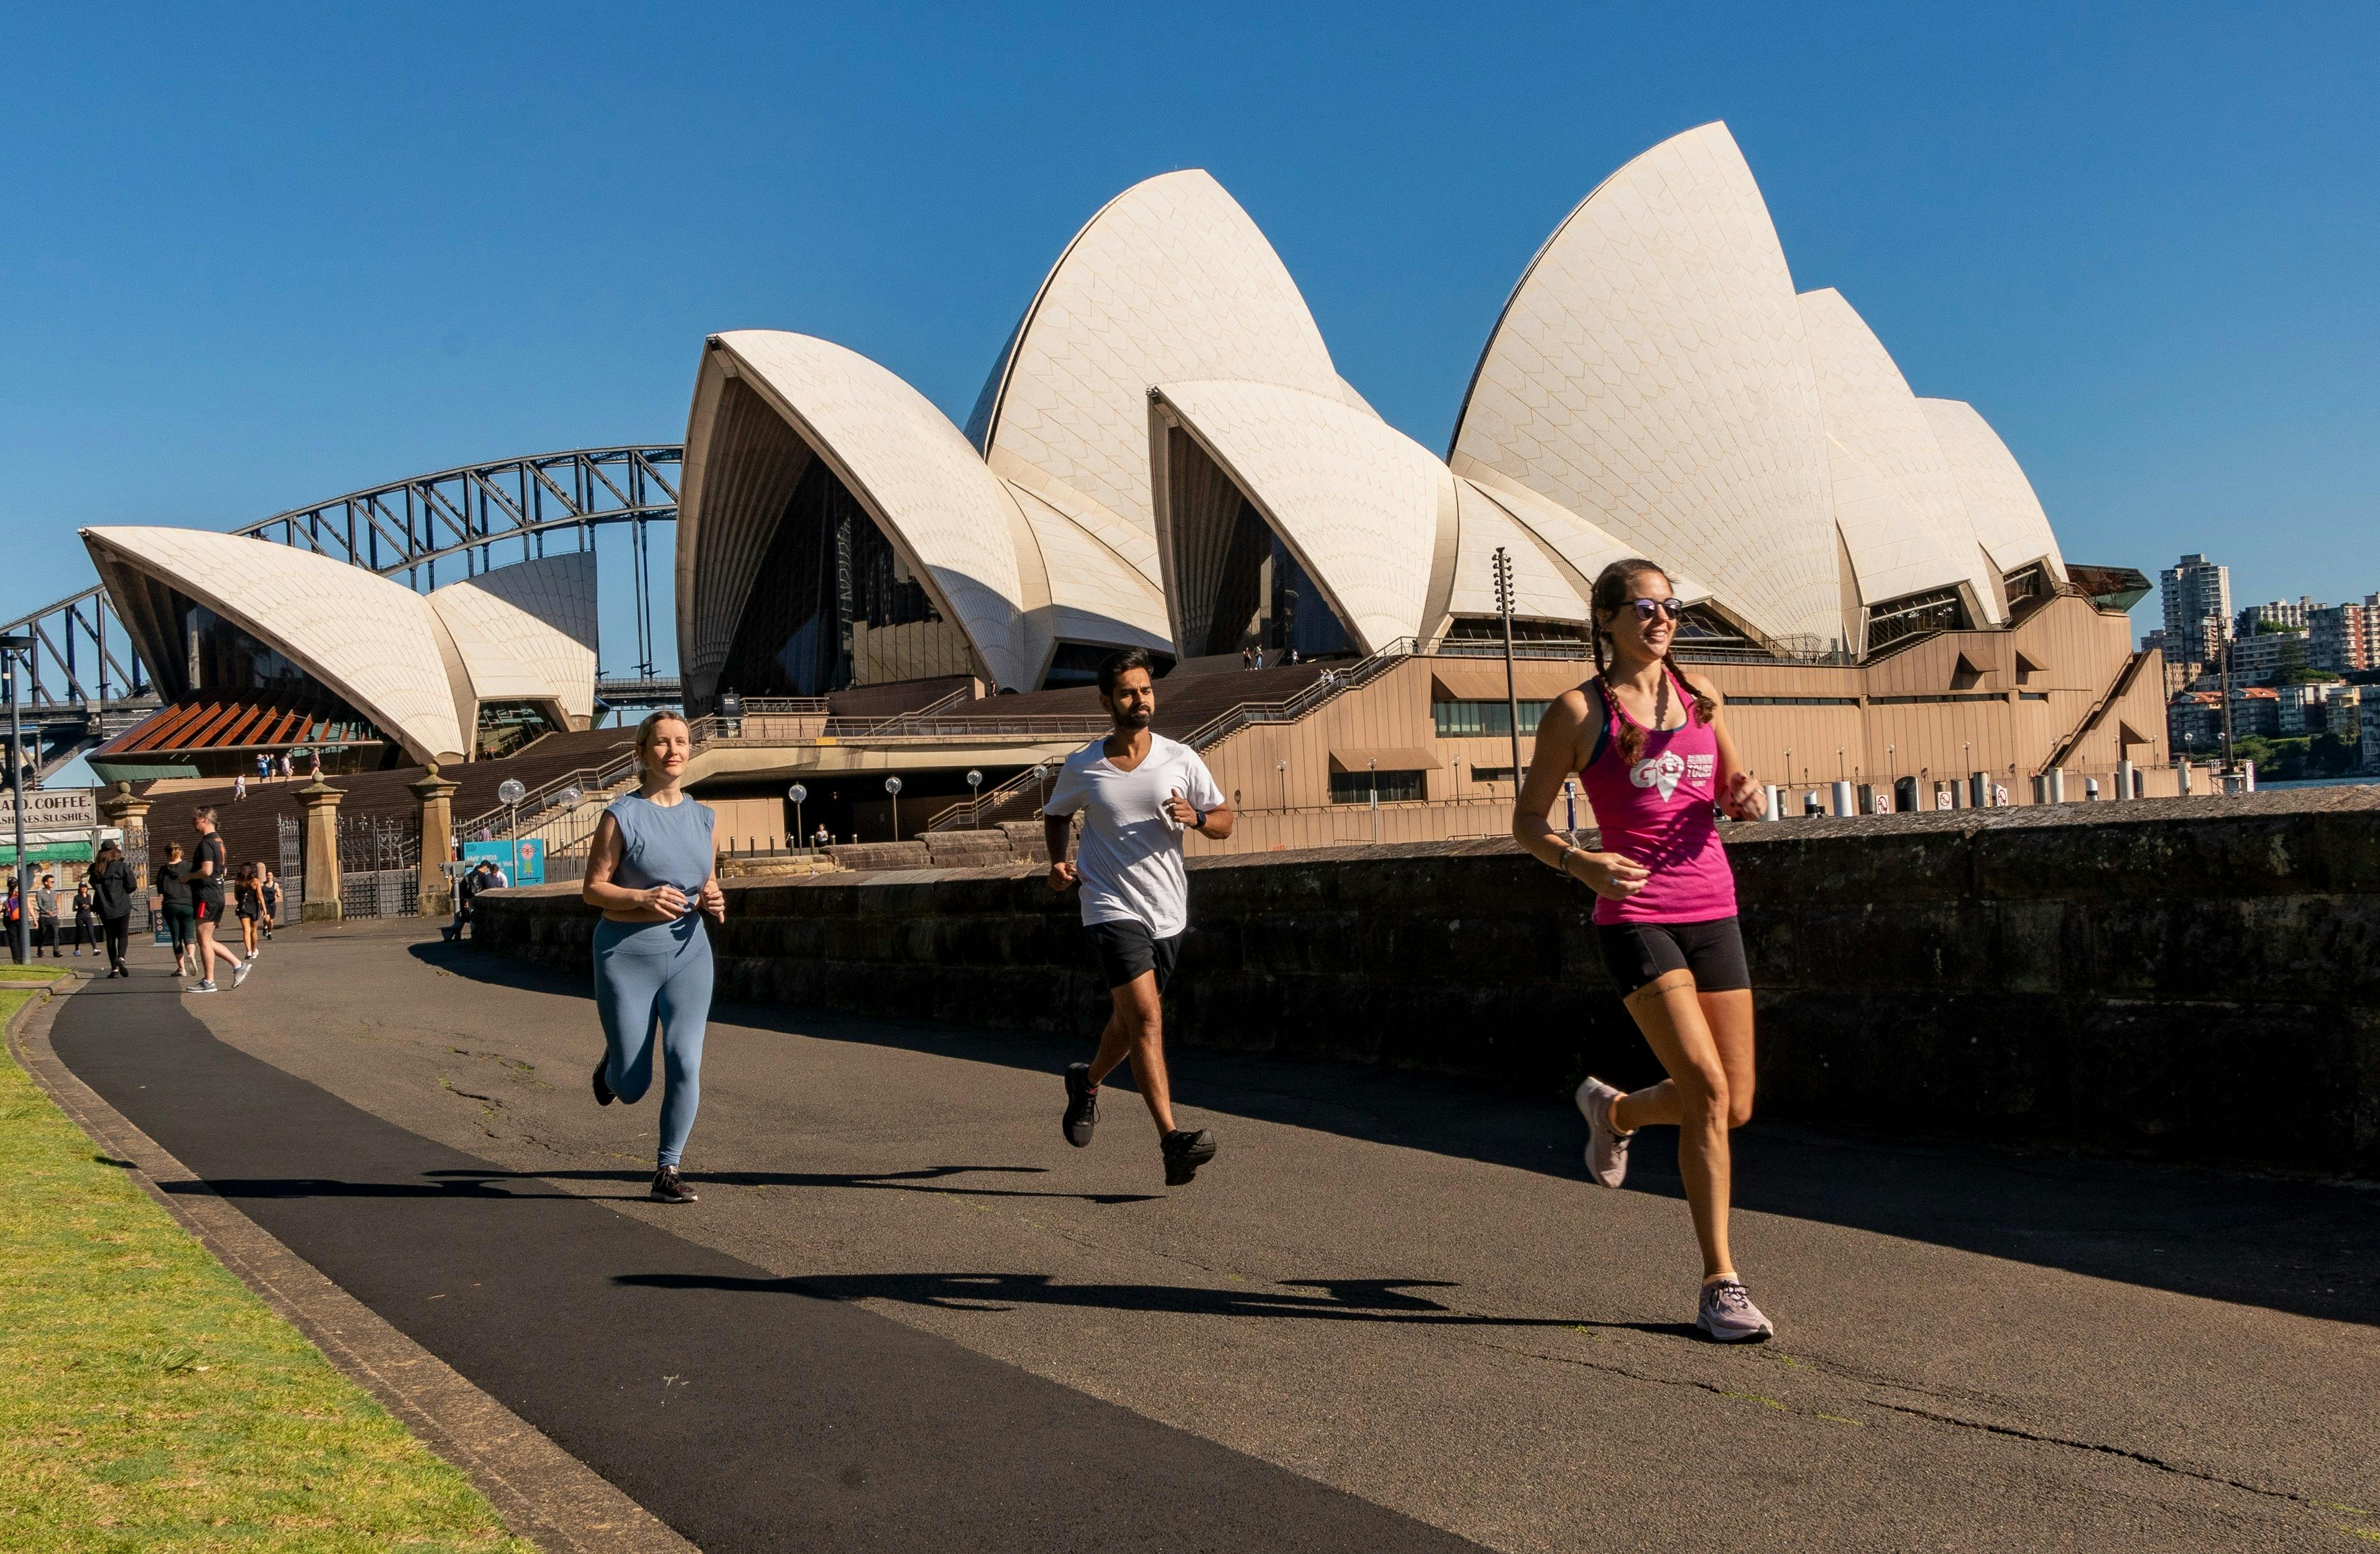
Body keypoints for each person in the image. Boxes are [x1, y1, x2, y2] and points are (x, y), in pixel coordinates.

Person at [1512, 557, 1776, 1343]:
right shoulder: (1576, 711)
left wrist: (1746, 796)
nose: (1662, 618)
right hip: (1634, 917)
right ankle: (1719, 1283)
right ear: (1606, 621)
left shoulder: (1702, 697)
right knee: (1702, 1085)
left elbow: (1735, 787)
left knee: (1735, 1102)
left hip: (1713, 907)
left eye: (1671, 606)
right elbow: (1528, 822)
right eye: (1644, 607)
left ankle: (1614, 1109)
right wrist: (1581, 861)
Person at [1042, 648, 1234, 1186]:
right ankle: (1171, 1140)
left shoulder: (1180, 757)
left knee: (1127, 1025)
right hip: (1107, 905)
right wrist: (1058, 864)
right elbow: (1056, 815)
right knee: (1147, 1019)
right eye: (1128, 692)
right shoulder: (1083, 765)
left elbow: (1224, 820)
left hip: (1167, 911)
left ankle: (1086, 1082)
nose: (1140, 700)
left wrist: (1196, 817)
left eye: (1146, 690)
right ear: (1107, 701)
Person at [581, 712, 725, 1205]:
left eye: (681, 742)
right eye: (661, 743)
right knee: (633, 1085)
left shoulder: (704, 817)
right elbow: (593, 889)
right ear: (642, 753)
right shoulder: (621, 815)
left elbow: (702, 878)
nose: (673, 751)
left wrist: (712, 894)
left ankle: (668, 1168)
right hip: (627, 956)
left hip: (689, 953)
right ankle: (612, 1068)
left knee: (685, 1061)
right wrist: (640, 899)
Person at [189, 807, 251, 993]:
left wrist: (188, 877)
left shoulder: (207, 842)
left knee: (204, 940)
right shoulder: (219, 841)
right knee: (206, 939)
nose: (193, 822)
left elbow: (207, 870)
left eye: (196, 819)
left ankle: (209, 981)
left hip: (206, 895)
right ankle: (238, 965)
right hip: (216, 893)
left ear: (205, 819)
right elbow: (222, 871)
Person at [88, 842, 135, 978]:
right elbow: (132, 885)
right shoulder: (122, 866)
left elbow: (93, 884)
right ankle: (121, 958)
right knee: (123, 935)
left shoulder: (95, 868)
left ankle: (114, 969)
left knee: (110, 937)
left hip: (104, 906)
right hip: (122, 905)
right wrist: (124, 891)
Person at [234, 864, 264, 958]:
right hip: (254, 907)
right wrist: (264, 907)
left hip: (243, 908)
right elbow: (260, 895)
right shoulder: (256, 881)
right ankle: (254, 950)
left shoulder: (238, 882)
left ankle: (249, 951)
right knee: (254, 931)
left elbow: (236, 897)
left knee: (246, 930)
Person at [34, 874, 61, 959]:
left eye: (53, 882)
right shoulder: (40, 893)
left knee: (56, 935)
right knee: (42, 934)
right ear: (46, 883)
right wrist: (46, 911)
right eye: (51, 882)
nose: (53, 883)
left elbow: (55, 902)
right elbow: (40, 905)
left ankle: (56, 951)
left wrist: (57, 908)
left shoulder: (54, 893)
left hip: (54, 917)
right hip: (44, 918)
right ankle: (40, 949)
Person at [71, 878, 94, 956]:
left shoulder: (88, 896)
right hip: (80, 917)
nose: (84, 889)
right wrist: (81, 907)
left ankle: (95, 949)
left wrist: (90, 907)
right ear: (80, 888)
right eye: (82, 887)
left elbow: (90, 906)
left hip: (88, 916)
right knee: (80, 933)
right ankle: (77, 949)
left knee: (91, 932)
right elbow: (74, 908)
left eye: (85, 887)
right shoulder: (77, 897)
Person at [258, 864, 280, 941]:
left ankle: (270, 933)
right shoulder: (262, 885)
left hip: (272, 904)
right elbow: (259, 893)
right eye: (268, 875)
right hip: (265, 904)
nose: (269, 877)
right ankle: (265, 928)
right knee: (267, 919)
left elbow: (279, 894)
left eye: (270, 875)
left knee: (271, 921)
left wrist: (277, 893)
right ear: (266, 876)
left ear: (273, 876)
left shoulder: (276, 885)